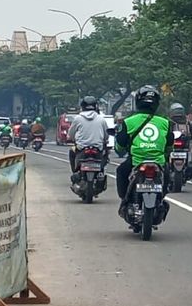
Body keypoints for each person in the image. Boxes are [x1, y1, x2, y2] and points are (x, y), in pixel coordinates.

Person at [113, 86, 173, 217]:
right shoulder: (165, 123)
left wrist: (120, 150)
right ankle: (161, 199)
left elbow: (120, 144)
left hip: (136, 162)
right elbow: (170, 146)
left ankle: (125, 200)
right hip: (159, 163)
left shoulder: (128, 122)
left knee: (121, 171)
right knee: (167, 178)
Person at [67, 96, 110, 180]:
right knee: (106, 154)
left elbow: (70, 134)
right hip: (98, 149)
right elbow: (106, 135)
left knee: (71, 152)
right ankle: (101, 172)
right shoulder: (101, 119)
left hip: (81, 149)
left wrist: (71, 138)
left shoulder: (77, 119)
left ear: (82, 106)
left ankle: (75, 172)